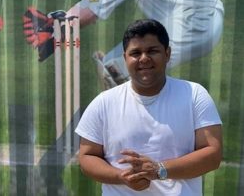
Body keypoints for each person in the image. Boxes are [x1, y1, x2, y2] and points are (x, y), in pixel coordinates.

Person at [74, 19, 223, 196]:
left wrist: (159, 169)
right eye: (136, 53)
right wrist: (121, 177)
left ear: (167, 54)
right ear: (125, 58)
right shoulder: (104, 103)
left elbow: (212, 154)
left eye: (153, 51)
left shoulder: (194, 95)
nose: (144, 58)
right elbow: (87, 157)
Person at [23, 0, 224, 89]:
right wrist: (58, 20)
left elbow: (95, 10)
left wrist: (58, 29)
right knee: (115, 69)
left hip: (196, 20)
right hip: (190, 19)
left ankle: (150, 143)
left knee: (119, 72)